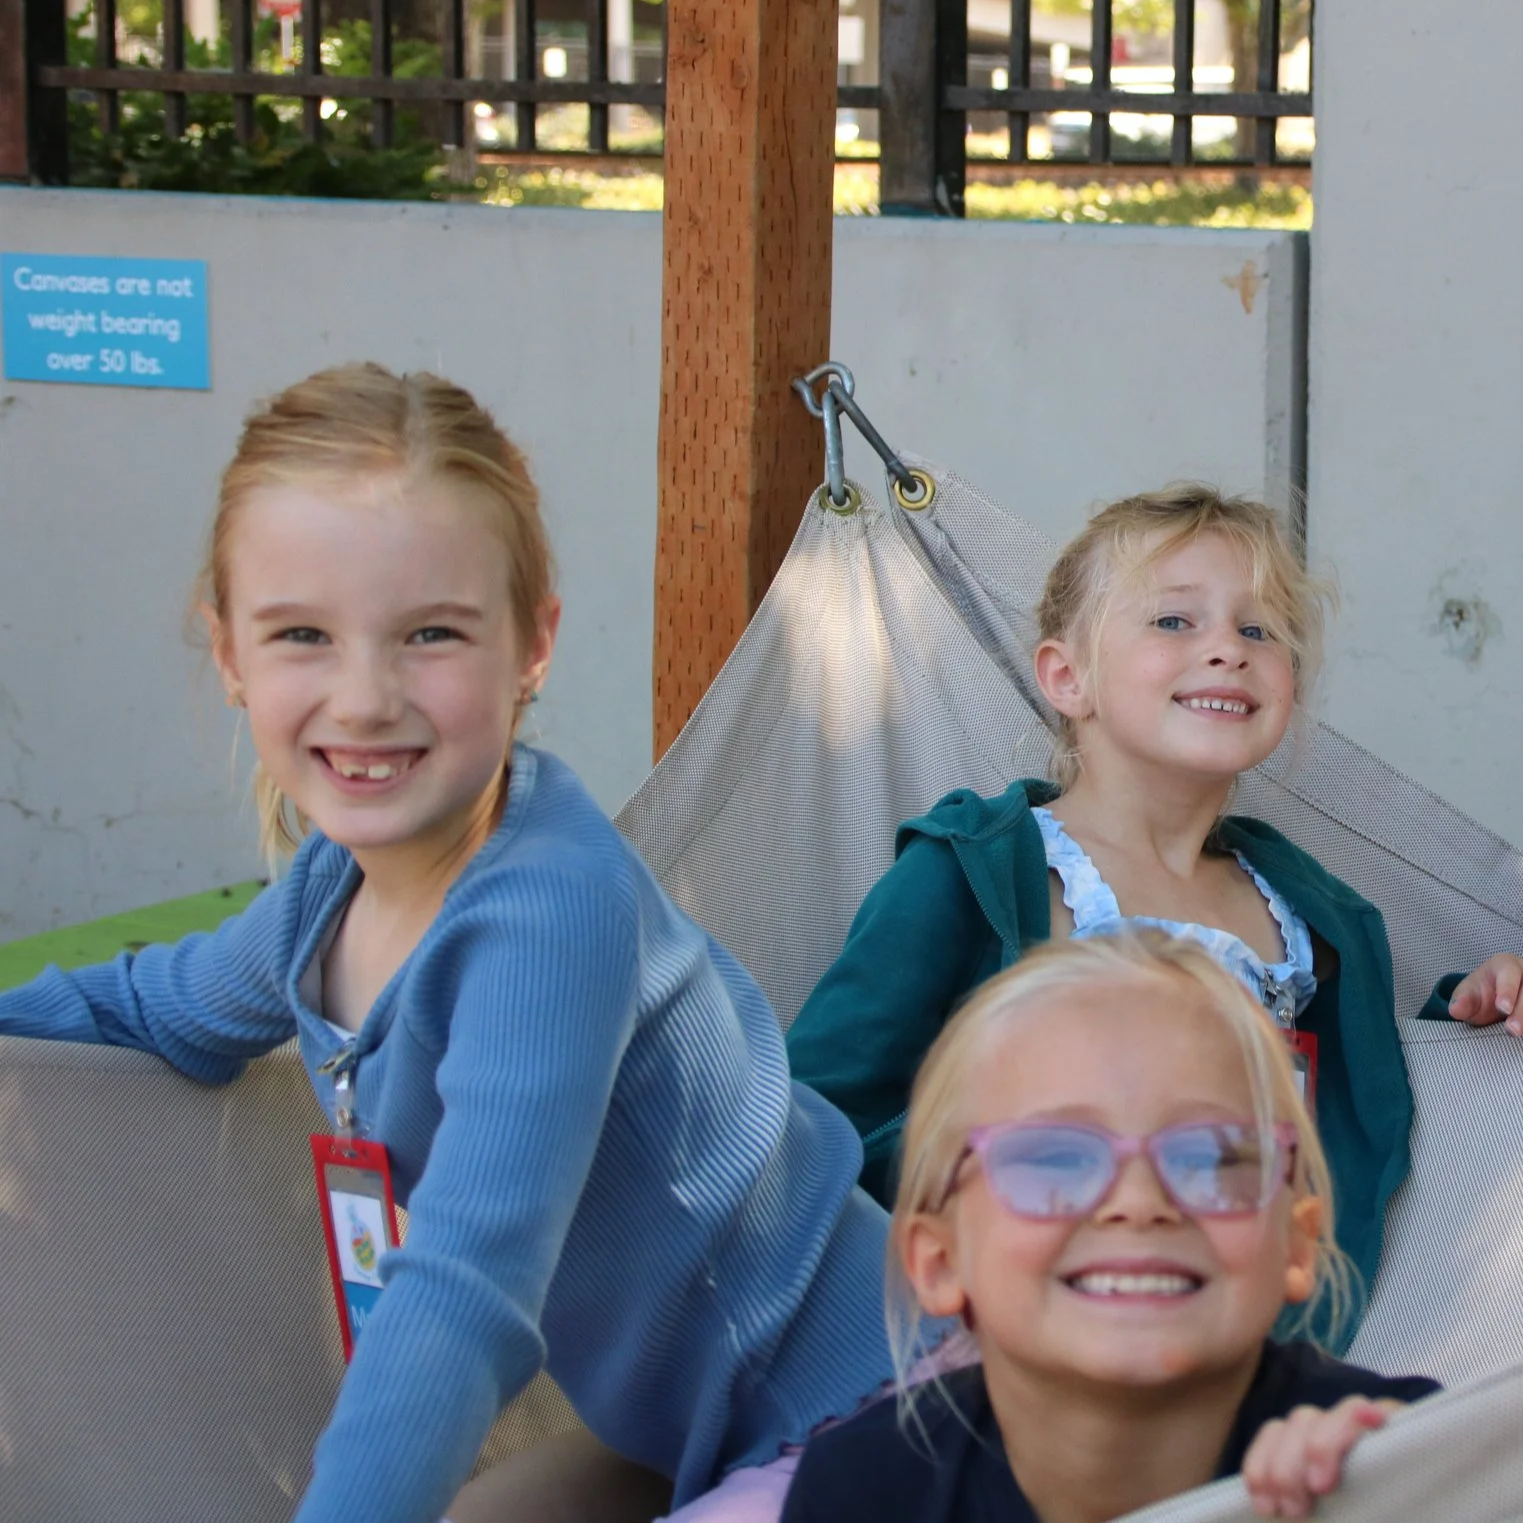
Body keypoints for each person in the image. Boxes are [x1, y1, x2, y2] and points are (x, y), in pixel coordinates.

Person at [0, 364, 894, 1523]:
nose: (365, 697)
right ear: (229, 654)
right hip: (682, 1433)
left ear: (533, 644)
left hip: (866, 1417)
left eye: (428, 633)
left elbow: (466, 1288)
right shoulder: (330, 891)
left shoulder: (547, 912)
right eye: (302, 635)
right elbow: (144, 1008)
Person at [785, 484, 1523, 1340]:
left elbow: (1360, 1107)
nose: (1228, 650)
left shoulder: (1308, 918)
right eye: (1174, 622)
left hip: (1232, 1353)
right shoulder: (973, 869)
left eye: (1259, 631)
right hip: (996, 1344)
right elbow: (814, 1125)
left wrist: (1473, 1009)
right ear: (1068, 676)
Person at [781, 933, 1441, 1523]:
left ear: (1295, 1244)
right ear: (940, 1261)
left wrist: (1405, 1493)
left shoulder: (1388, 1456)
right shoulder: (863, 1491)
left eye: (1211, 1155)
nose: (1137, 1199)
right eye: (1054, 1157)